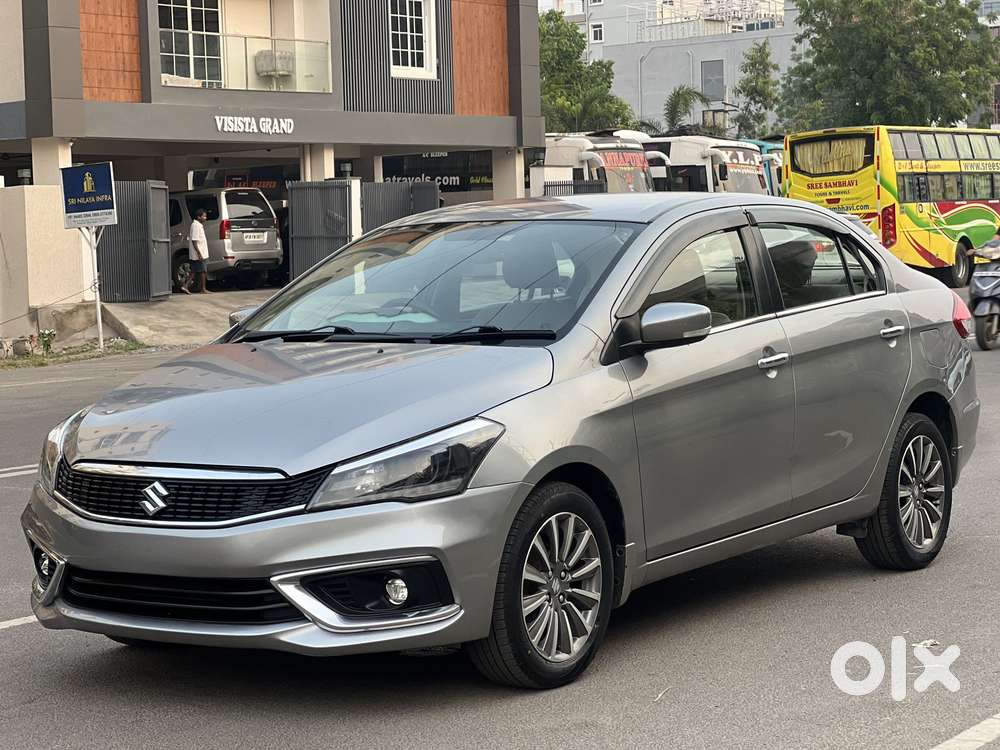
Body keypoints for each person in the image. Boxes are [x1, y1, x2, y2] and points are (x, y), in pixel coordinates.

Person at [185, 208, 211, 294]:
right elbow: (194, 240)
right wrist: (199, 253)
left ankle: (185, 286)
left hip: (199, 252)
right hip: (199, 253)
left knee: (194, 271)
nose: (205, 218)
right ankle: (203, 289)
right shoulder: (195, 226)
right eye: (204, 216)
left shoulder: (198, 225)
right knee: (203, 271)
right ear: (198, 217)